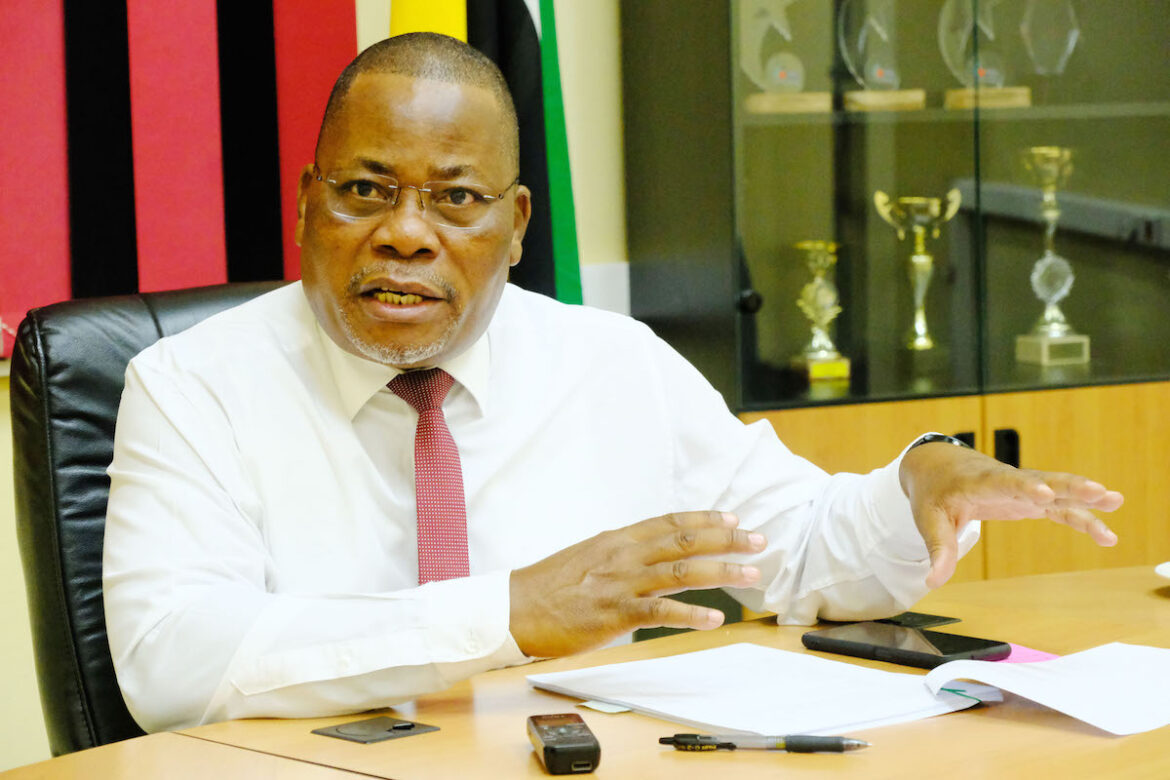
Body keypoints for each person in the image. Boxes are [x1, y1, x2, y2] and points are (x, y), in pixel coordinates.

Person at [103, 32, 1122, 733]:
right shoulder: (190, 387)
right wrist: (507, 612)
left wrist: (915, 485)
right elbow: (173, 664)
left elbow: (802, 551)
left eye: (456, 199)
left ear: (516, 226)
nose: (405, 233)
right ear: (305, 204)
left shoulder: (610, 363)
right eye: (366, 190)